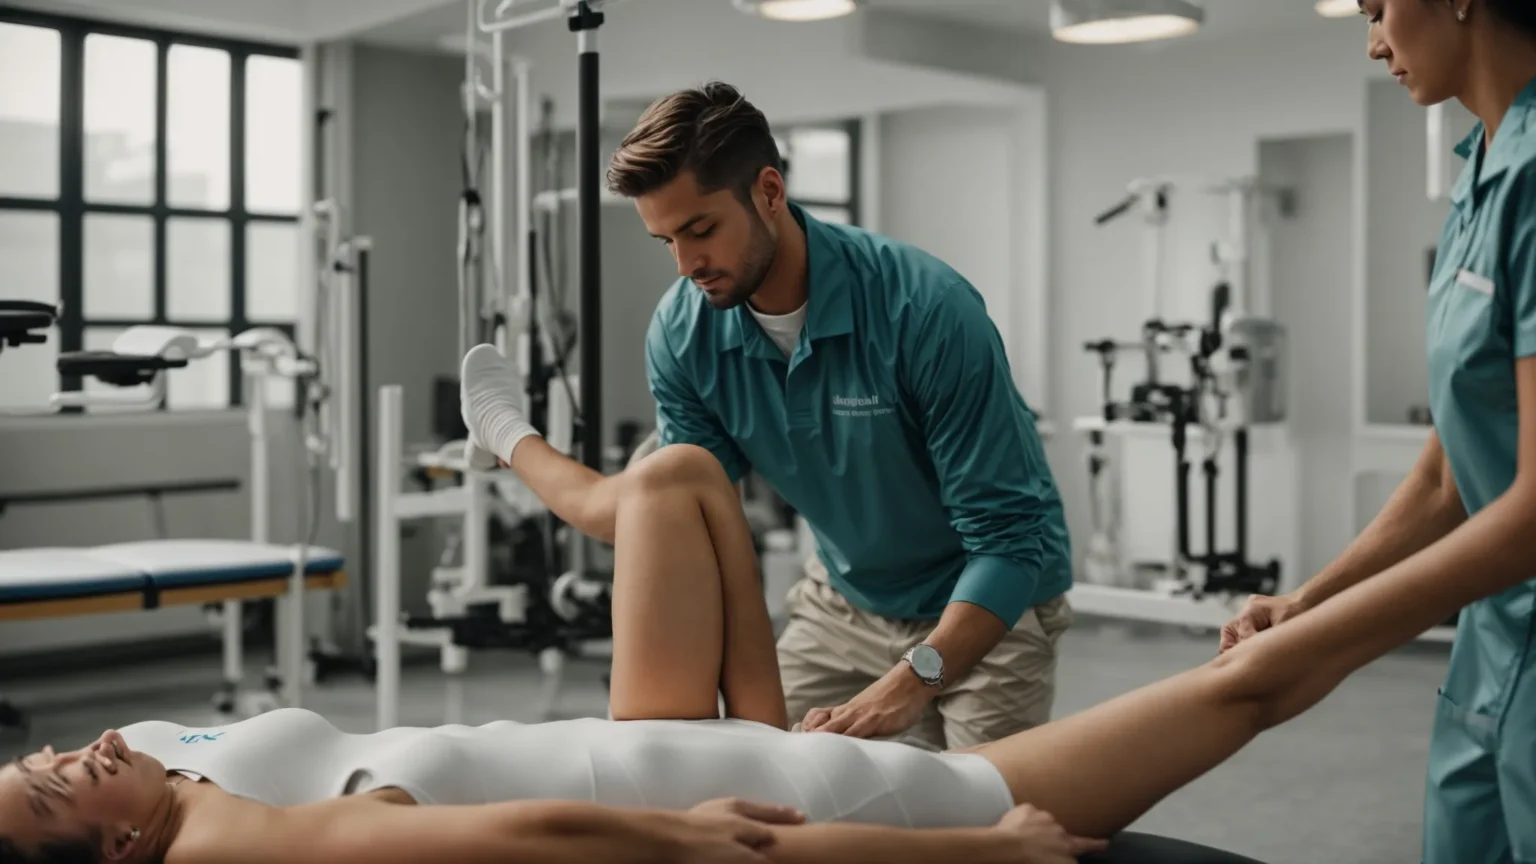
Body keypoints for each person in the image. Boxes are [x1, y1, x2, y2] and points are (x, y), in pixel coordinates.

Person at [0, 414, 1476, 864]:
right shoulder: (227, 848)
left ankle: (513, 432)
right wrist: (978, 851)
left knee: (674, 475)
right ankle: (1479, 553)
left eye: (46, 752)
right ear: (118, 853)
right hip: (828, 797)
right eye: (70, 784)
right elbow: (652, 846)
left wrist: (507, 439)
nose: (83, 748)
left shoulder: (175, 771)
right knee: (1252, 686)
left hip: (680, 729)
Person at [474, 80, 1072, 752]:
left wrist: (910, 681)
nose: (687, 264)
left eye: (700, 230)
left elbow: (1009, 542)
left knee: (981, 828)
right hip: (846, 600)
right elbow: (682, 518)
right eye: (665, 240)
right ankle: (506, 432)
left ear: (769, 191)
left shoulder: (926, 310)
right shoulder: (682, 333)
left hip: (986, 601)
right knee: (771, 791)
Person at [1220, 2, 1536, 862]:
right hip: (1493, 639)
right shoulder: (1482, 170)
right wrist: (1305, 602)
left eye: (1377, 9)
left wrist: (1323, 650)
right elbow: (1450, 472)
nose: (1373, 44)